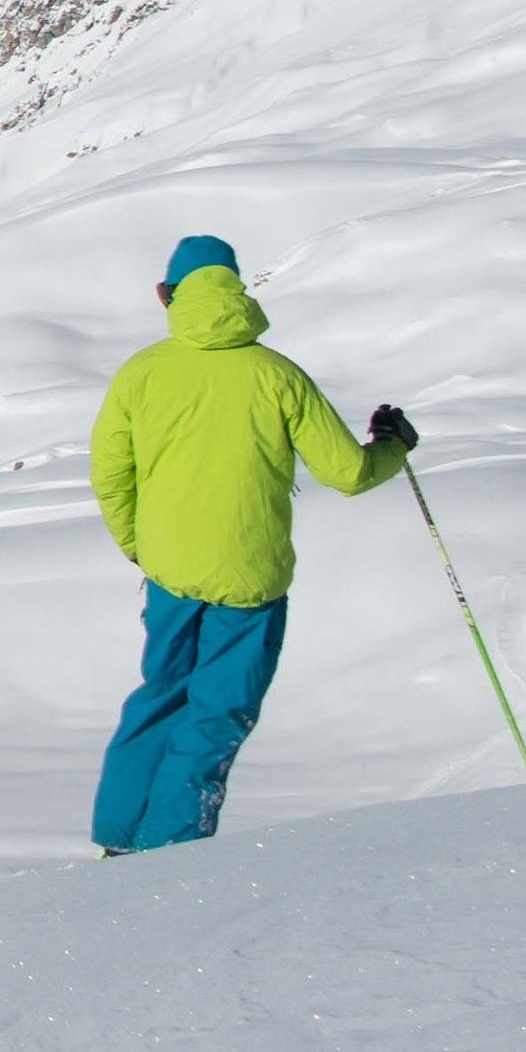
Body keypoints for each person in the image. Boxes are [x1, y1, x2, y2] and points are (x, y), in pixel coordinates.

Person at [87, 234, 417, 854]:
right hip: (250, 575)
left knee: (160, 694)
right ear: (239, 290)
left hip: (169, 572)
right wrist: (393, 446)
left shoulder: (142, 374)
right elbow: (347, 473)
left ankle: (120, 836)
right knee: (216, 713)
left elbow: (110, 474)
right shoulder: (277, 376)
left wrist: (141, 546)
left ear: (167, 296)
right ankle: (171, 848)